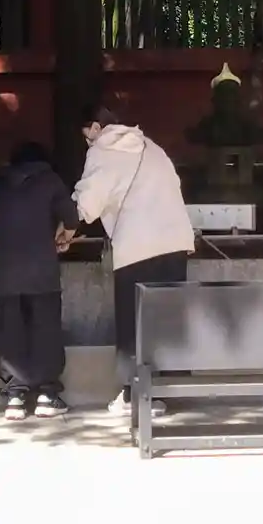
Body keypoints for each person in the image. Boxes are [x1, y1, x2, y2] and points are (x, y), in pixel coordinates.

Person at [72, 105, 196, 416]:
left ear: (97, 127)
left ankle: (135, 395)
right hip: (175, 242)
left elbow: (88, 200)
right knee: (164, 319)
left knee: (134, 322)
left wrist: (67, 227)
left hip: (138, 247)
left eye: (87, 135)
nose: (87, 142)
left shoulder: (103, 149)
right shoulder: (151, 147)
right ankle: (164, 390)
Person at [0, 142, 78, 421]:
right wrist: (64, 235)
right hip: (42, 270)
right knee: (45, 330)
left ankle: (15, 396)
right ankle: (47, 395)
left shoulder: (1, 186)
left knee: (11, 330)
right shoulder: (51, 181)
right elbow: (71, 217)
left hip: (8, 271)